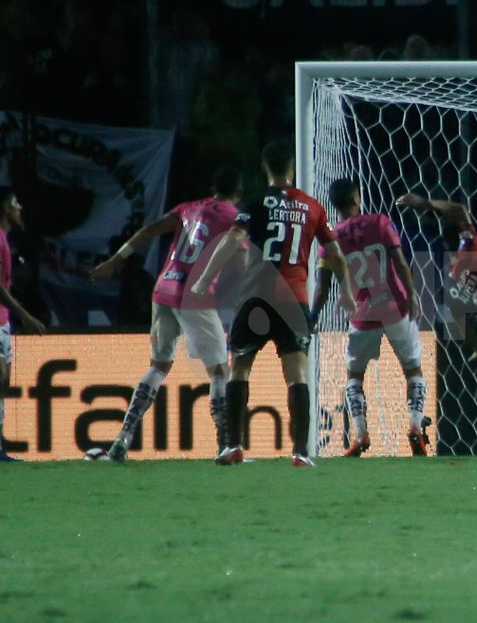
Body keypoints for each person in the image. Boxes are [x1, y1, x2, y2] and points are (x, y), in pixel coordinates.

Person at [190, 140, 356, 467]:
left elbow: (234, 238)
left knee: (240, 367)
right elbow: (335, 254)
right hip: (293, 300)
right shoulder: (312, 207)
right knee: (297, 375)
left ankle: (233, 446)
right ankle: (300, 452)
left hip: (255, 297)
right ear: (291, 167)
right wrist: (347, 293)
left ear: (265, 168)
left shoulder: (254, 203)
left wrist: (202, 277)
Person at [91, 167, 243, 461]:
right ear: (238, 194)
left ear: (213, 188)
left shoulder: (188, 208)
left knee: (159, 366)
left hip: (163, 288)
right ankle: (225, 445)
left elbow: (148, 230)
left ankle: (123, 437)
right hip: (194, 294)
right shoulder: (233, 217)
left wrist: (115, 260)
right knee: (219, 371)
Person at [311, 179, 429, 457]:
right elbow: (400, 262)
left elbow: (322, 284)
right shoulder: (380, 223)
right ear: (357, 199)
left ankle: (361, 433)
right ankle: (414, 426)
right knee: (412, 369)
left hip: (361, 314)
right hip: (395, 307)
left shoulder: (330, 238)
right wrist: (412, 293)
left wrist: (313, 315)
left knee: (355, 375)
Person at [394, 193, 477, 360]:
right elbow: (460, 210)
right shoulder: (466, 255)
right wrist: (425, 203)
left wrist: (476, 345)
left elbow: (459, 315)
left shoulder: (454, 276)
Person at [0, 188, 46, 461]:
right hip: (3, 317)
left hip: (4, 320)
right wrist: (25, 315)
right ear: (4, 208)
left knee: (4, 382)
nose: (20, 208)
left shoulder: (7, 239)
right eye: (16, 204)